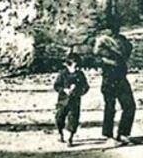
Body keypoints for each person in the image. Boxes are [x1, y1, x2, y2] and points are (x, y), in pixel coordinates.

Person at [93, 16, 136, 145]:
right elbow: (97, 57)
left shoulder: (120, 41)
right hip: (109, 77)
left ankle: (122, 134)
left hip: (120, 76)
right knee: (111, 107)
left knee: (129, 105)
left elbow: (127, 51)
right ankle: (110, 136)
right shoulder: (102, 42)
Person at [53, 52, 89, 147]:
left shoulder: (80, 75)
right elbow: (56, 86)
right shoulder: (62, 74)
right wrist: (64, 90)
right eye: (75, 66)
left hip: (75, 101)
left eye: (79, 67)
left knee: (73, 120)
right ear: (68, 65)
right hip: (63, 101)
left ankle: (70, 138)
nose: (77, 69)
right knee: (59, 118)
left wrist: (78, 91)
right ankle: (60, 133)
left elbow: (85, 87)